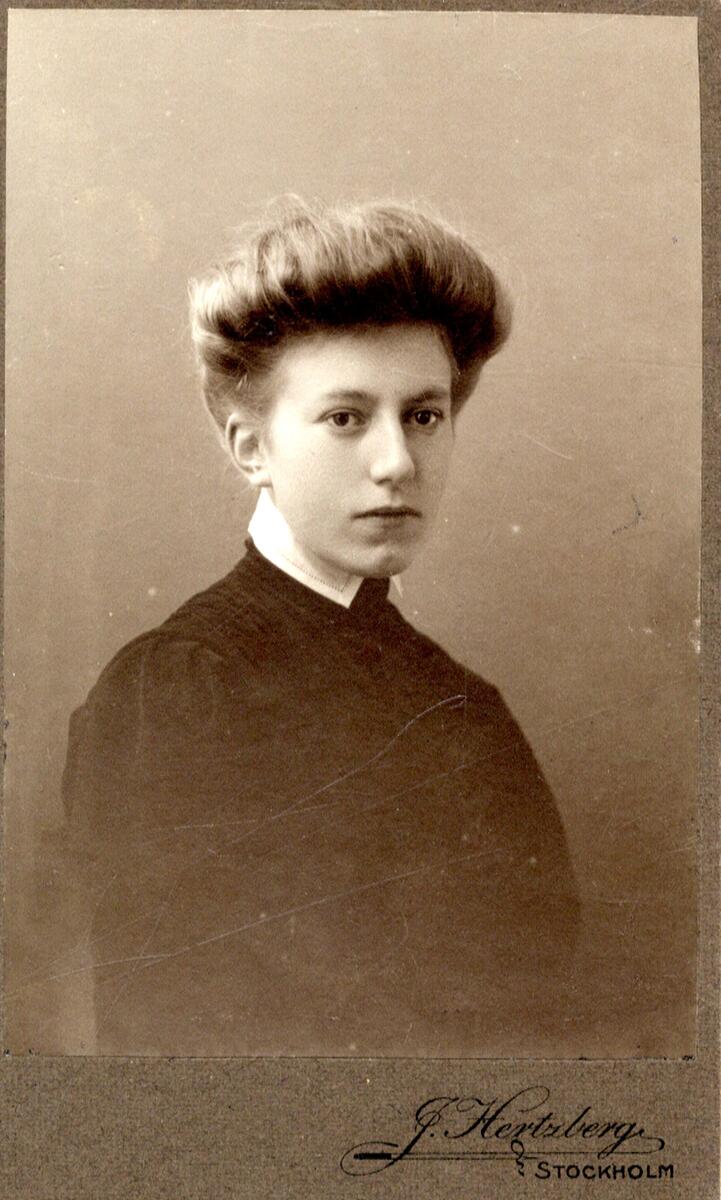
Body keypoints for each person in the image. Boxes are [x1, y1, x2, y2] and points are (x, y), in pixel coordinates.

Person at [62, 199, 580, 1057]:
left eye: (424, 415)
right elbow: (178, 1047)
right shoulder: (182, 689)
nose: (397, 462)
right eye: (345, 418)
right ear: (250, 447)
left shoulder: (461, 705)